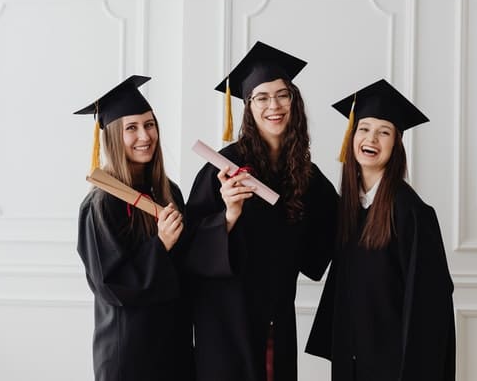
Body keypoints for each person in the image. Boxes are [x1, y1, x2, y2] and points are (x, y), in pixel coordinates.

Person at [185, 41, 339, 381]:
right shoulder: (222, 169)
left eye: (283, 95)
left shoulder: (308, 176)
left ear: (294, 102)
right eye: (262, 97)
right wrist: (229, 214)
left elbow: (325, 243)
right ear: (248, 107)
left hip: (276, 317)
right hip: (225, 320)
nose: (274, 105)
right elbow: (188, 248)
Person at [306, 79, 455, 380]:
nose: (371, 137)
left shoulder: (411, 213)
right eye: (363, 128)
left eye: (383, 132)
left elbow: (430, 308)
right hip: (352, 360)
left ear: (396, 144)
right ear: (351, 136)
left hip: (395, 366)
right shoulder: (349, 208)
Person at [74, 75, 194, 381]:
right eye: (132, 128)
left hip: (175, 344)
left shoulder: (170, 192)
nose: (145, 135)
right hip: (129, 351)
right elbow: (110, 285)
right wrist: (161, 244)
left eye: (150, 124)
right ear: (114, 136)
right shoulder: (101, 205)